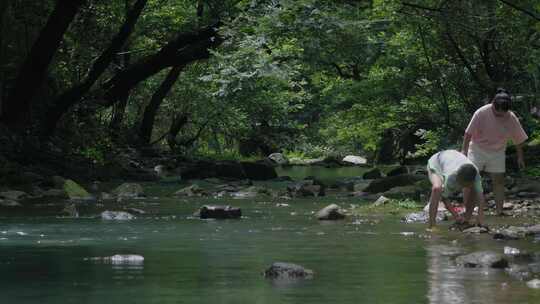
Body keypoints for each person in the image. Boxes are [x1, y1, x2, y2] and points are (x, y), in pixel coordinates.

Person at [462, 88, 528, 215]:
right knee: (470, 178)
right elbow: (468, 133)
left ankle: (499, 211)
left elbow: (518, 139)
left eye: (502, 114)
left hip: (497, 151)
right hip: (477, 149)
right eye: (497, 113)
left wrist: (520, 157)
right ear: (492, 104)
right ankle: (467, 209)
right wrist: (464, 151)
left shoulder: (511, 117)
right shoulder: (481, 112)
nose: (499, 116)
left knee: (498, 181)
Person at [427, 150, 486, 230]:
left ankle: (466, 219)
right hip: (436, 162)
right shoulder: (451, 177)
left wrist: (480, 217)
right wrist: (456, 216)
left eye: (465, 185)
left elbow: (480, 196)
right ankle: (432, 225)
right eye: (461, 184)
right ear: (457, 178)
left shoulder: (476, 176)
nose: (462, 186)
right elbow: (444, 198)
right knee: (437, 188)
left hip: (451, 158)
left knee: (474, 190)